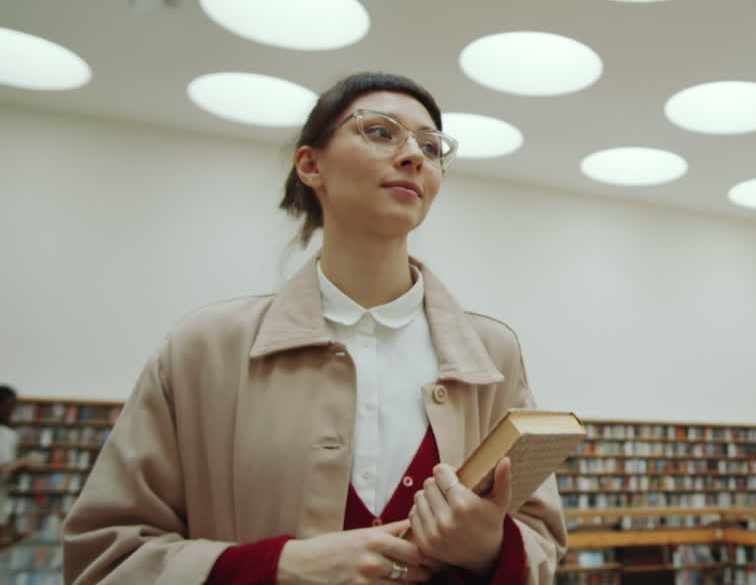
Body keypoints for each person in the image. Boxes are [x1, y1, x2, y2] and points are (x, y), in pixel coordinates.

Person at [63, 72, 567, 584]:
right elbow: (106, 557)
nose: (415, 155)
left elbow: (543, 542)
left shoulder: (493, 353)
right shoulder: (203, 348)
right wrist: (277, 568)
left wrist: (492, 548)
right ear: (311, 164)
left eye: (431, 145)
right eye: (380, 131)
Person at [1, 385, 44, 545]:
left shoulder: (7, 433)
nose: (12, 411)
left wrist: (21, 467)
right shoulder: (4, 434)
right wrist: (24, 462)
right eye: (9, 406)